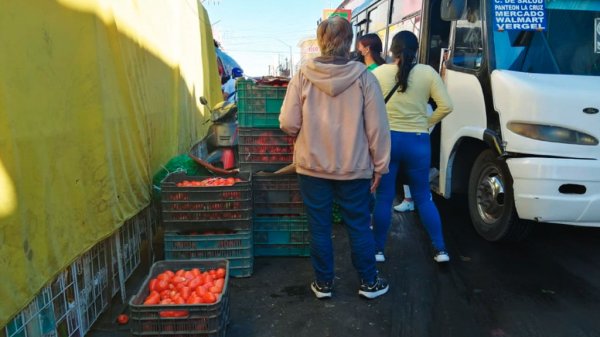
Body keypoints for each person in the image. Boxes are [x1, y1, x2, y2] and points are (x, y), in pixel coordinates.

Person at [279, 16, 391, 300]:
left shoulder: (303, 75)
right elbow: (377, 127)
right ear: (350, 42)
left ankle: (324, 284)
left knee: (319, 225)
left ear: (320, 42)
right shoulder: (365, 77)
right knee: (358, 224)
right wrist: (381, 165)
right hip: (354, 168)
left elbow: (288, 123)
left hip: (311, 167)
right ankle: (369, 282)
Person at [372, 30, 453, 263]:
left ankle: (378, 250)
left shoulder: (379, 73)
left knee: (384, 197)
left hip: (388, 141)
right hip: (418, 141)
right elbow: (446, 106)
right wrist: (425, 123)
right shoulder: (427, 73)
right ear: (416, 49)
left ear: (391, 50)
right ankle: (440, 250)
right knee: (423, 197)